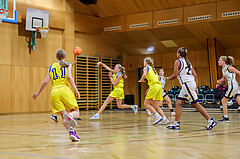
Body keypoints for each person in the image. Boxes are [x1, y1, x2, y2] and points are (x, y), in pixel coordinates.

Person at [33, 49, 80, 141]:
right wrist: (76, 89)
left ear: (56, 57)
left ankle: (71, 132)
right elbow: (69, 77)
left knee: (64, 117)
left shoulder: (51, 67)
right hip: (64, 90)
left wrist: (38, 93)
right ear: (65, 57)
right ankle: (70, 115)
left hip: (54, 92)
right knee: (76, 112)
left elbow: (46, 81)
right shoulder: (68, 65)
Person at [166, 47, 217, 130]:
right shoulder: (188, 62)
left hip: (187, 84)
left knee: (195, 104)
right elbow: (195, 75)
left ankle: (210, 120)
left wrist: (167, 78)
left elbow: (175, 75)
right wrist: (196, 87)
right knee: (178, 103)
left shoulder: (178, 61)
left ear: (179, 53)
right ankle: (176, 123)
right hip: (190, 84)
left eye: (177, 52)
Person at [139, 57, 170, 125]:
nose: (143, 63)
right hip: (159, 87)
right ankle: (165, 119)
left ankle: (157, 116)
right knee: (156, 105)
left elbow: (144, 75)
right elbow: (157, 78)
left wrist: (141, 79)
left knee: (146, 104)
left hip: (154, 86)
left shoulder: (146, 67)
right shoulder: (154, 69)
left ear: (146, 62)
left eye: (144, 61)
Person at [217, 56, 240, 122]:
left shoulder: (229, 68)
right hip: (233, 86)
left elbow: (238, 72)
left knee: (223, 101)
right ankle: (225, 117)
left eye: (219, 60)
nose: (218, 61)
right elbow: (224, 79)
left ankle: (226, 117)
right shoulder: (223, 69)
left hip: (232, 86)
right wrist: (219, 81)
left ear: (223, 62)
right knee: (238, 100)